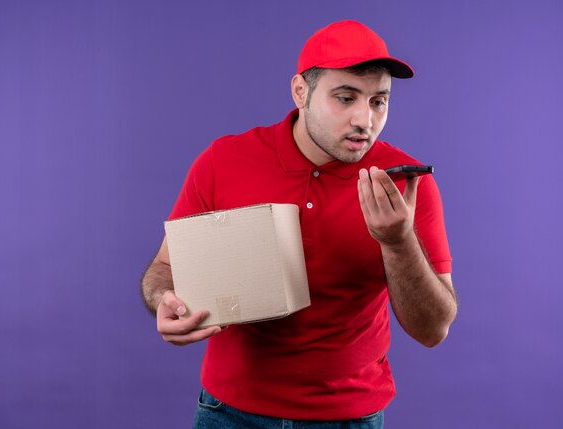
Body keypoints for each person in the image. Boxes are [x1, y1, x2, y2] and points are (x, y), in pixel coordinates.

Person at [141, 20, 458, 429]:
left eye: (379, 101)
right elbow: (165, 268)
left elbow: (433, 330)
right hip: (229, 412)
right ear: (300, 92)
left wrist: (398, 242)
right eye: (345, 98)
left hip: (349, 417)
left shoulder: (406, 183)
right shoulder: (224, 161)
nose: (365, 119)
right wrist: (164, 299)